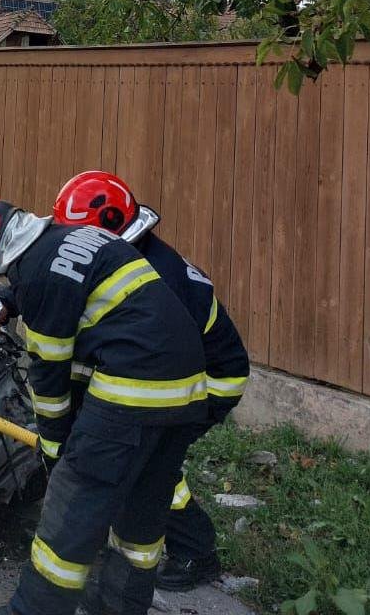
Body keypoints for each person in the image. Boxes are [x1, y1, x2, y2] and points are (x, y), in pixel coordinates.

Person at [0, 197, 207, 615]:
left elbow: (49, 381)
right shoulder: (74, 237)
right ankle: (119, 605)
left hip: (132, 389)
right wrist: (13, 300)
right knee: (143, 511)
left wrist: (56, 451)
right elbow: (69, 281)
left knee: (75, 503)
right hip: (187, 388)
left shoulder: (38, 276)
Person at [52, 171, 250, 591]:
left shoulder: (158, 275)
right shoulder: (133, 255)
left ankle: (196, 551)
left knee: (149, 464)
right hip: (185, 371)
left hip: (211, 380)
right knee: (144, 457)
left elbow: (153, 353)